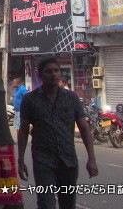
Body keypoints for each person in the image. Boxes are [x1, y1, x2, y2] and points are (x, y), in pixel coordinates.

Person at [18, 57, 98, 209]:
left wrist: (91, 159)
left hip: (68, 160)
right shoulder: (30, 100)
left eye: (56, 71)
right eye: (48, 71)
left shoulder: (71, 97)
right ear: (40, 75)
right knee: (46, 204)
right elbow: (23, 130)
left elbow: (83, 127)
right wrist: (20, 160)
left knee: (68, 204)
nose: (53, 74)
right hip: (43, 161)